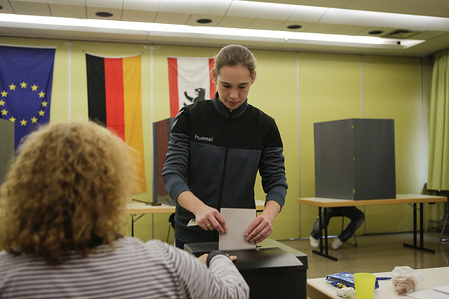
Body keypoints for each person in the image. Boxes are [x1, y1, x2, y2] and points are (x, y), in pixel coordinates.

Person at [0, 120, 249, 299]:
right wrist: (216, 259)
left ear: (22, 186)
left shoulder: (5, 275)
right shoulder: (168, 263)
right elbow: (235, 293)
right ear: (113, 190)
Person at [162, 44, 288, 249]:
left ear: (253, 78)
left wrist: (268, 215)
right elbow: (172, 174)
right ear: (214, 76)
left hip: (239, 233)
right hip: (192, 230)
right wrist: (198, 208)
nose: (233, 95)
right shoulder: (190, 117)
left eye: (242, 86)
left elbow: (277, 182)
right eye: (226, 85)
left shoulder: (264, 126)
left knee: (234, 282)